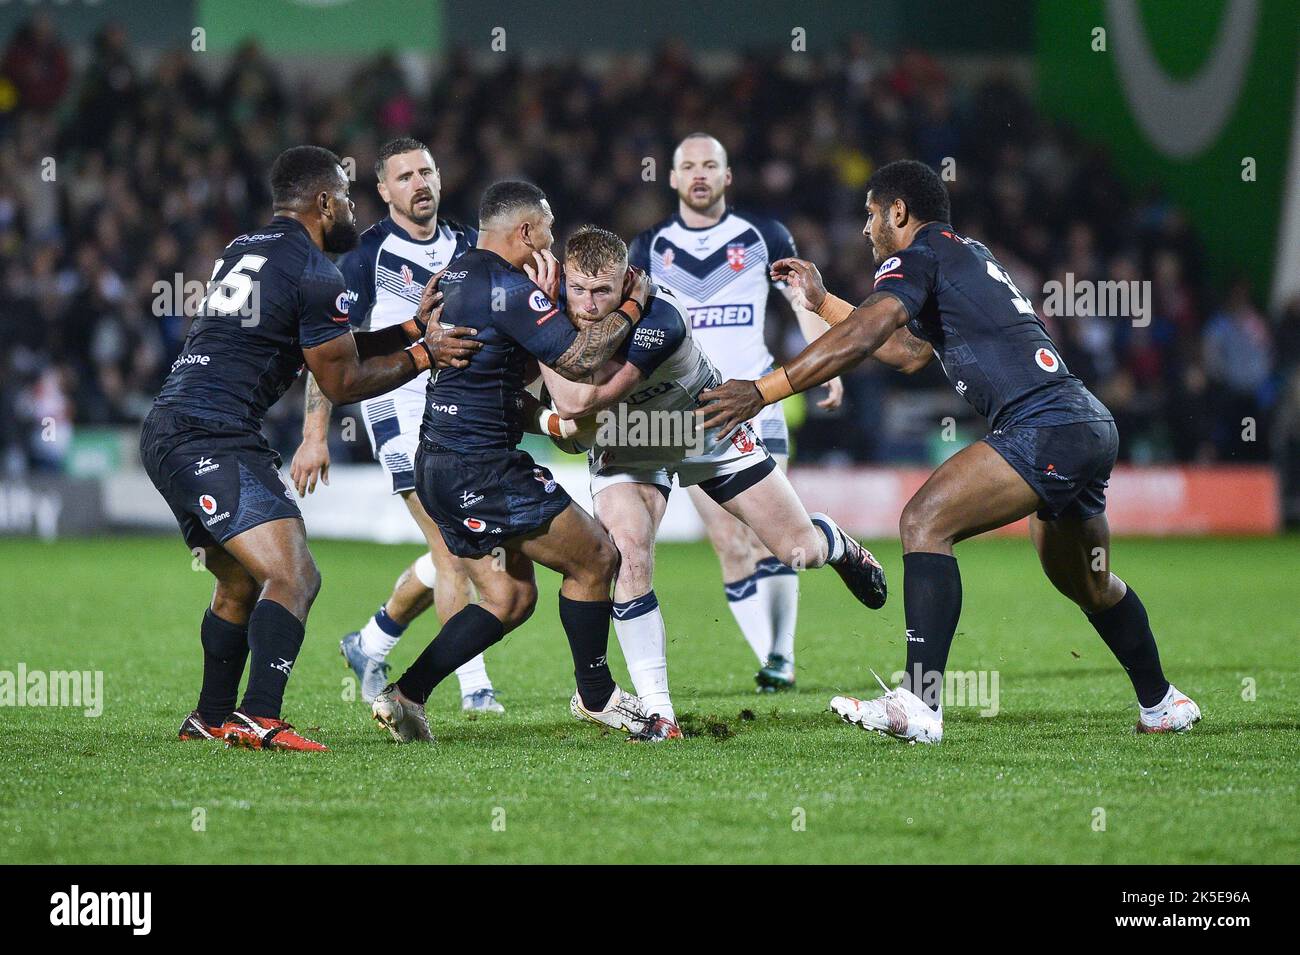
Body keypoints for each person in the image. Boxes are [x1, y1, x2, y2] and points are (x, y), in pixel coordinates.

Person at [700, 159, 1201, 743]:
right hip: (1083, 422)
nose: (865, 229)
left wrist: (762, 391)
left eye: (870, 215)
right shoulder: (965, 253)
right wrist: (821, 301)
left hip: (1043, 424)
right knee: (1088, 582)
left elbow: (865, 336)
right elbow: (908, 352)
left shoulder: (914, 257)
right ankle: (1163, 703)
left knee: (924, 520)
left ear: (898, 212)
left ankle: (920, 703)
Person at [140, 145, 477, 752]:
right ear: (325, 202)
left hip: (170, 427)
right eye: (347, 198)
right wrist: (424, 355)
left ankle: (211, 716)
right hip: (213, 435)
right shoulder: (317, 271)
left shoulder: (244, 248)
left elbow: (327, 346)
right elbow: (341, 379)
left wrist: (406, 330)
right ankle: (260, 715)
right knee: (295, 576)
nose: (352, 209)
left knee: (243, 582)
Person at [540, 226, 886, 739]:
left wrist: (546, 340)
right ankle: (660, 713)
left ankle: (832, 542)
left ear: (629, 281)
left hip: (705, 428)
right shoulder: (553, 313)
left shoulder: (659, 316)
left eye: (603, 292)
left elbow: (577, 401)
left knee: (799, 551)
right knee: (629, 555)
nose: (588, 305)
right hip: (628, 440)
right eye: (578, 290)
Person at [369, 182, 664, 744]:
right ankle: (597, 696)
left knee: (509, 599)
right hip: (481, 468)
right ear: (526, 232)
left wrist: (545, 324)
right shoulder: (505, 285)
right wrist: (632, 303)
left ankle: (405, 696)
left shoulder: (457, 274)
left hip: (440, 462)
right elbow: (579, 360)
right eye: (549, 230)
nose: (553, 242)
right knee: (598, 557)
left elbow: (499, 372)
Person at [289, 137, 503, 713]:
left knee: (449, 553)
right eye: (405, 176)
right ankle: (474, 685)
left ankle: (371, 641)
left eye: (426, 171)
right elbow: (330, 353)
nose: (420, 183)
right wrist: (315, 436)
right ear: (383, 190)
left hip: (461, 413)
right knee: (455, 550)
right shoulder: (363, 257)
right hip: (396, 411)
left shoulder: (466, 245)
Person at [630, 132, 845, 692]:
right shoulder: (647, 248)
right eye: (688, 166)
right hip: (687, 411)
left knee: (776, 537)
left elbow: (803, 300)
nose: (699, 174)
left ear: (727, 177)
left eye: (711, 165)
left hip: (758, 400)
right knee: (728, 541)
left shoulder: (763, 235)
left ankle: (781, 658)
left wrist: (830, 362)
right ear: (672, 179)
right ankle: (774, 661)